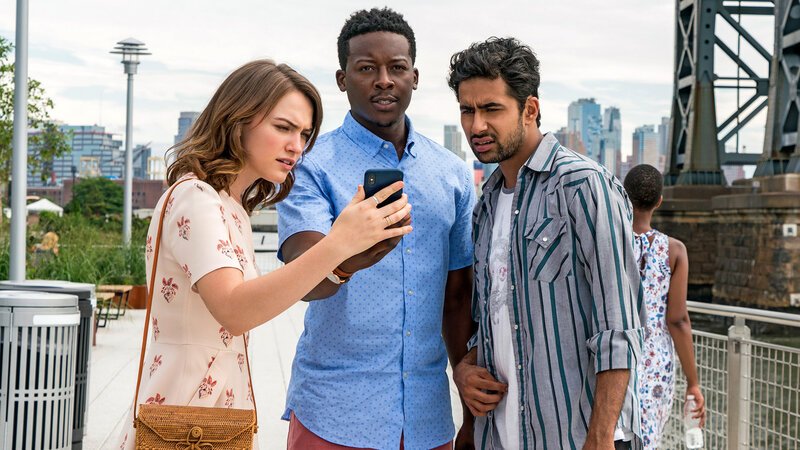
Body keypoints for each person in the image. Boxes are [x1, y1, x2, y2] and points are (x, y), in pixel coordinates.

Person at [115, 59, 412, 449]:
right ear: (237, 120)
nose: (297, 146)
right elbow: (236, 310)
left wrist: (342, 264)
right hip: (185, 420)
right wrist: (338, 243)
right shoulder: (195, 198)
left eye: (304, 133)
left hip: (214, 416)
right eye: (283, 127)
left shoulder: (229, 206)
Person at [276, 8, 475, 450]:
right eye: (367, 68)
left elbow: (459, 293)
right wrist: (352, 251)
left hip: (428, 416)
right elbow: (302, 277)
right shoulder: (310, 167)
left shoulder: (453, 174)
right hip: (333, 411)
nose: (384, 80)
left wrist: (469, 401)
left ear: (415, 77)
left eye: (397, 68)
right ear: (343, 79)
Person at [447, 37, 646, 449]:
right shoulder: (486, 207)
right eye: (467, 110)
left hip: (576, 436)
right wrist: (464, 369)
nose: (476, 125)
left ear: (530, 109)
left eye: (491, 109)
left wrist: (601, 438)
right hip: (503, 436)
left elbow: (620, 330)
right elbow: (494, 320)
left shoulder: (583, 187)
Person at [623, 164, 705, 449]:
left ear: (623, 195)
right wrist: (692, 383)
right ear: (659, 201)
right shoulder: (674, 250)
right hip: (656, 364)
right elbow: (678, 320)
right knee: (647, 440)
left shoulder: (608, 243)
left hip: (613, 357)